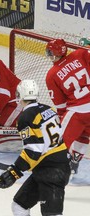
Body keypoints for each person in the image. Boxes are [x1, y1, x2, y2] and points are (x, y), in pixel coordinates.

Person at [0, 79, 70, 216]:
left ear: (20, 95)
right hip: (50, 168)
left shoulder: (25, 117)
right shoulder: (49, 109)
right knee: (19, 206)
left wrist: (14, 171)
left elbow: (33, 151)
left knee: (51, 214)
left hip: (52, 171)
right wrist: (15, 170)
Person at [45, 38, 90, 175]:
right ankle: (74, 162)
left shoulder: (51, 75)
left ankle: (47, 166)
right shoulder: (80, 54)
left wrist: (61, 118)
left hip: (77, 111)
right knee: (85, 134)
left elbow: (61, 105)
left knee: (58, 140)